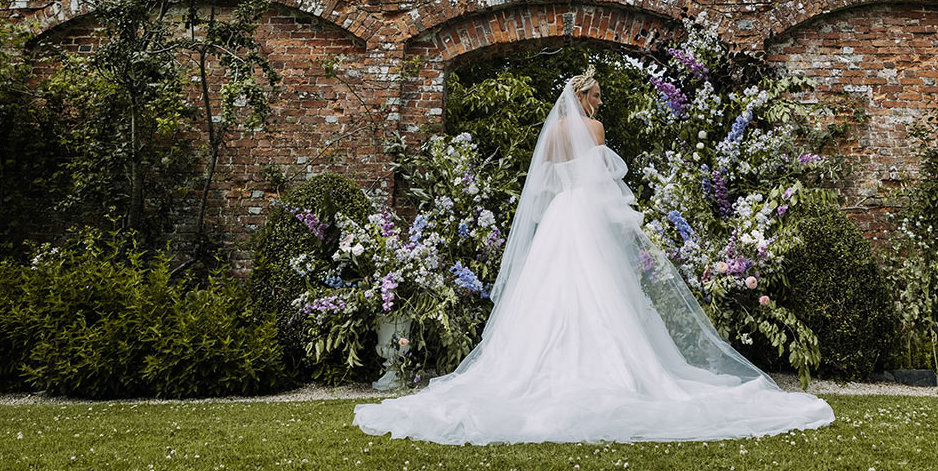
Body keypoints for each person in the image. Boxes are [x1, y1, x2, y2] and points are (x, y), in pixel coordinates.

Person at [353, 69, 834, 444]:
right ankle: (611, 368)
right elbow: (603, 187)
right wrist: (626, 224)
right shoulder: (593, 128)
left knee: (551, 289)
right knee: (598, 288)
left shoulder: (552, 134)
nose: (601, 102)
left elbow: (540, 188)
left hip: (560, 216)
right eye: (598, 95)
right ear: (583, 97)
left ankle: (534, 368)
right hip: (584, 213)